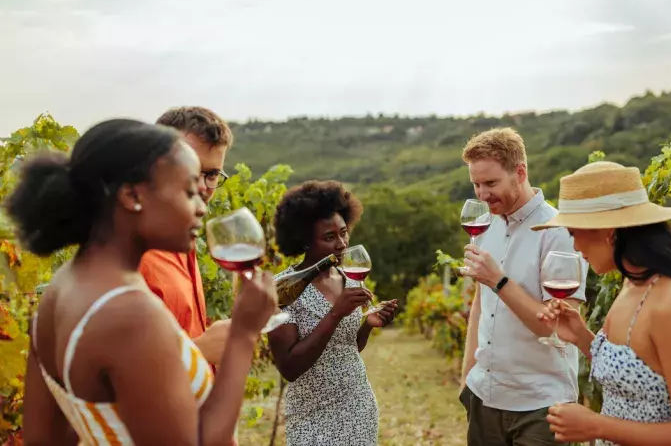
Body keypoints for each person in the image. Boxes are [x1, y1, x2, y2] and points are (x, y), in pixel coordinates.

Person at [11, 119, 277, 445]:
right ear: (132, 195)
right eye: (189, 191)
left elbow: (44, 439)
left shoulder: (60, 291)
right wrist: (243, 336)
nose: (200, 208)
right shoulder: (131, 313)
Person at [533, 161, 671, 445]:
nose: (574, 247)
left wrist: (597, 425)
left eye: (574, 233)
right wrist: (582, 337)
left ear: (608, 230)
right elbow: (640, 374)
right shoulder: (633, 283)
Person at [458, 127, 589, 446]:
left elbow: (556, 326)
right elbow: (481, 302)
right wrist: (467, 377)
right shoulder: (486, 225)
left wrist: (499, 281)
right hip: (484, 397)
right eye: (476, 184)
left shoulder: (558, 232)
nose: (482, 194)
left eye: (491, 183)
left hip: (540, 405)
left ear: (520, 172)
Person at [267, 180, 399, 446]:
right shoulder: (284, 289)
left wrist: (367, 325)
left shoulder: (349, 278)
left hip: (357, 406)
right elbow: (290, 368)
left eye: (343, 233)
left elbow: (346, 348)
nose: (341, 244)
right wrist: (335, 314)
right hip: (310, 415)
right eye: (329, 237)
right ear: (304, 241)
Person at [139, 106, 234, 365]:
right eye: (190, 172)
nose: (202, 187)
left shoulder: (183, 241)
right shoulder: (129, 255)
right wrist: (200, 353)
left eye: (212, 174)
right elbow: (115, 378)